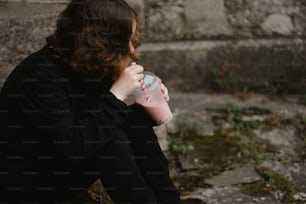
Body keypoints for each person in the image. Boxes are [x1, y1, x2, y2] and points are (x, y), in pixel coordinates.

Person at [0, 0, 180, 203]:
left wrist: (146, 99)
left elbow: (97, 120)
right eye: (124, 41)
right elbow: (74, 147)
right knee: (112, 142)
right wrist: (117, 95)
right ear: (99, 42)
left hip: (60, 163)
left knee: (135, 124)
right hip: (26, 183)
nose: (131, 50)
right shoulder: (39, 76)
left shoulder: (88, 63)